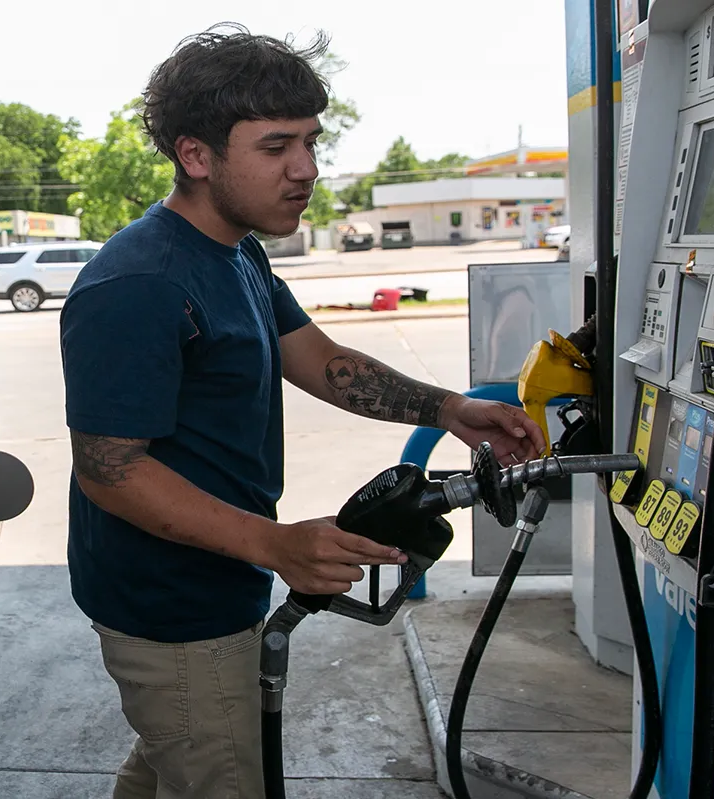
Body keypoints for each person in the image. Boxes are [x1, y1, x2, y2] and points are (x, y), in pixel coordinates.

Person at [58, 24, 546, 799]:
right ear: (195, 155)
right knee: (217, 767)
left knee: (171, 759)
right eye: (276, 146)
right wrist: (275, 542)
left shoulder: (236, 251)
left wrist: (449, 407)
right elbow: (111, 471)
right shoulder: (140, 284)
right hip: (172, 605)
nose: (306, 170)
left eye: (311, 142)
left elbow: (317, 359)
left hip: (219, 585)